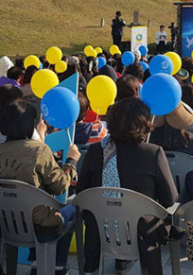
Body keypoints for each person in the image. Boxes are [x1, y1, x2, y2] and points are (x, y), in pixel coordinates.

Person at [77, 98, 178, 274]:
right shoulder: (153, 153)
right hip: (142, 235)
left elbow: (81, 193)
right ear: (144, 124)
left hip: (100, 232)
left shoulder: (96, 151)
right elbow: (170, 200)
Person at [0, 100, 80, 275]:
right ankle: (57, 266)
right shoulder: (39, 151)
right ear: (30, 125)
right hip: (38, 225)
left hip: (1, 222)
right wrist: (71, 162)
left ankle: (36, 263)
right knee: (73, 209)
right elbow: (60, 186)